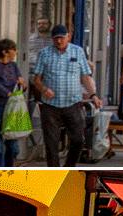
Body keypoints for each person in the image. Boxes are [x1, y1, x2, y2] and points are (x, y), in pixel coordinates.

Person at [32, 25, 102, 167]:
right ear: (52, 39)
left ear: (68, 37)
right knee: (51, 144)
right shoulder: (44, 53)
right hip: (50, 105)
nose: (59, 41)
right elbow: (36, 79)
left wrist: (93, 95)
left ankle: (69, 167)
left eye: (61, 38)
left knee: (78, 140)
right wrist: (44, 89)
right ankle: (55, 175)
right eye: (56, 38)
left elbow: (85, 77)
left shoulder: (78, 51)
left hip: (73, 103)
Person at [0, 39, 24, 166]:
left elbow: (21, 83)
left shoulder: (14, 66)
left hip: (13, 108)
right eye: (13, 49)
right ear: (5, 52)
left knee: (13, 146)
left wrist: (22, 84)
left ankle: (10, 169)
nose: (15, 52)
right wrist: (7, 93)